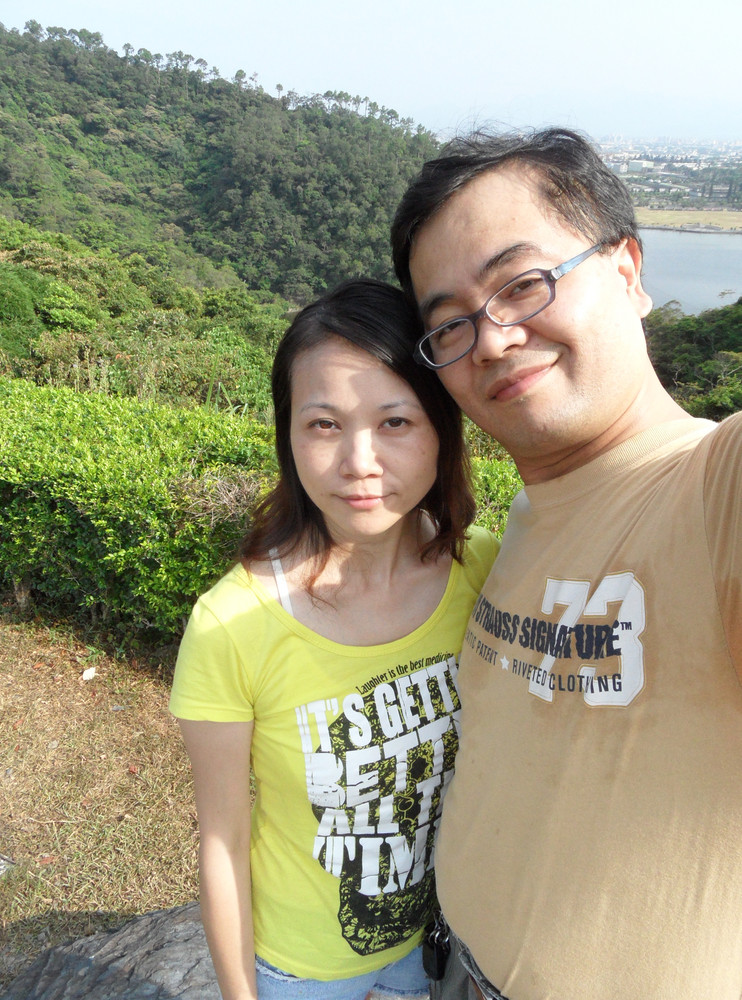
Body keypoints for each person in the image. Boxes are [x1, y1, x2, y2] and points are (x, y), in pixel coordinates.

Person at [390, 128, 742, 999]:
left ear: (627, 271)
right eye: (450, 324)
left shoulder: (712, 488)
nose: (492, 339)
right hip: (451, 966)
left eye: (522, 283)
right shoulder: (517, 524)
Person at [169, 278, 500, 1000]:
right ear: (289, 436)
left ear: (441, 430)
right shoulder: (233, 626)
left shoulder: (481, 568)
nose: (360, 462)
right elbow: (222, 842)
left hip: (434, 936)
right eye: (324, 424)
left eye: (395, 421)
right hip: (301, 967)